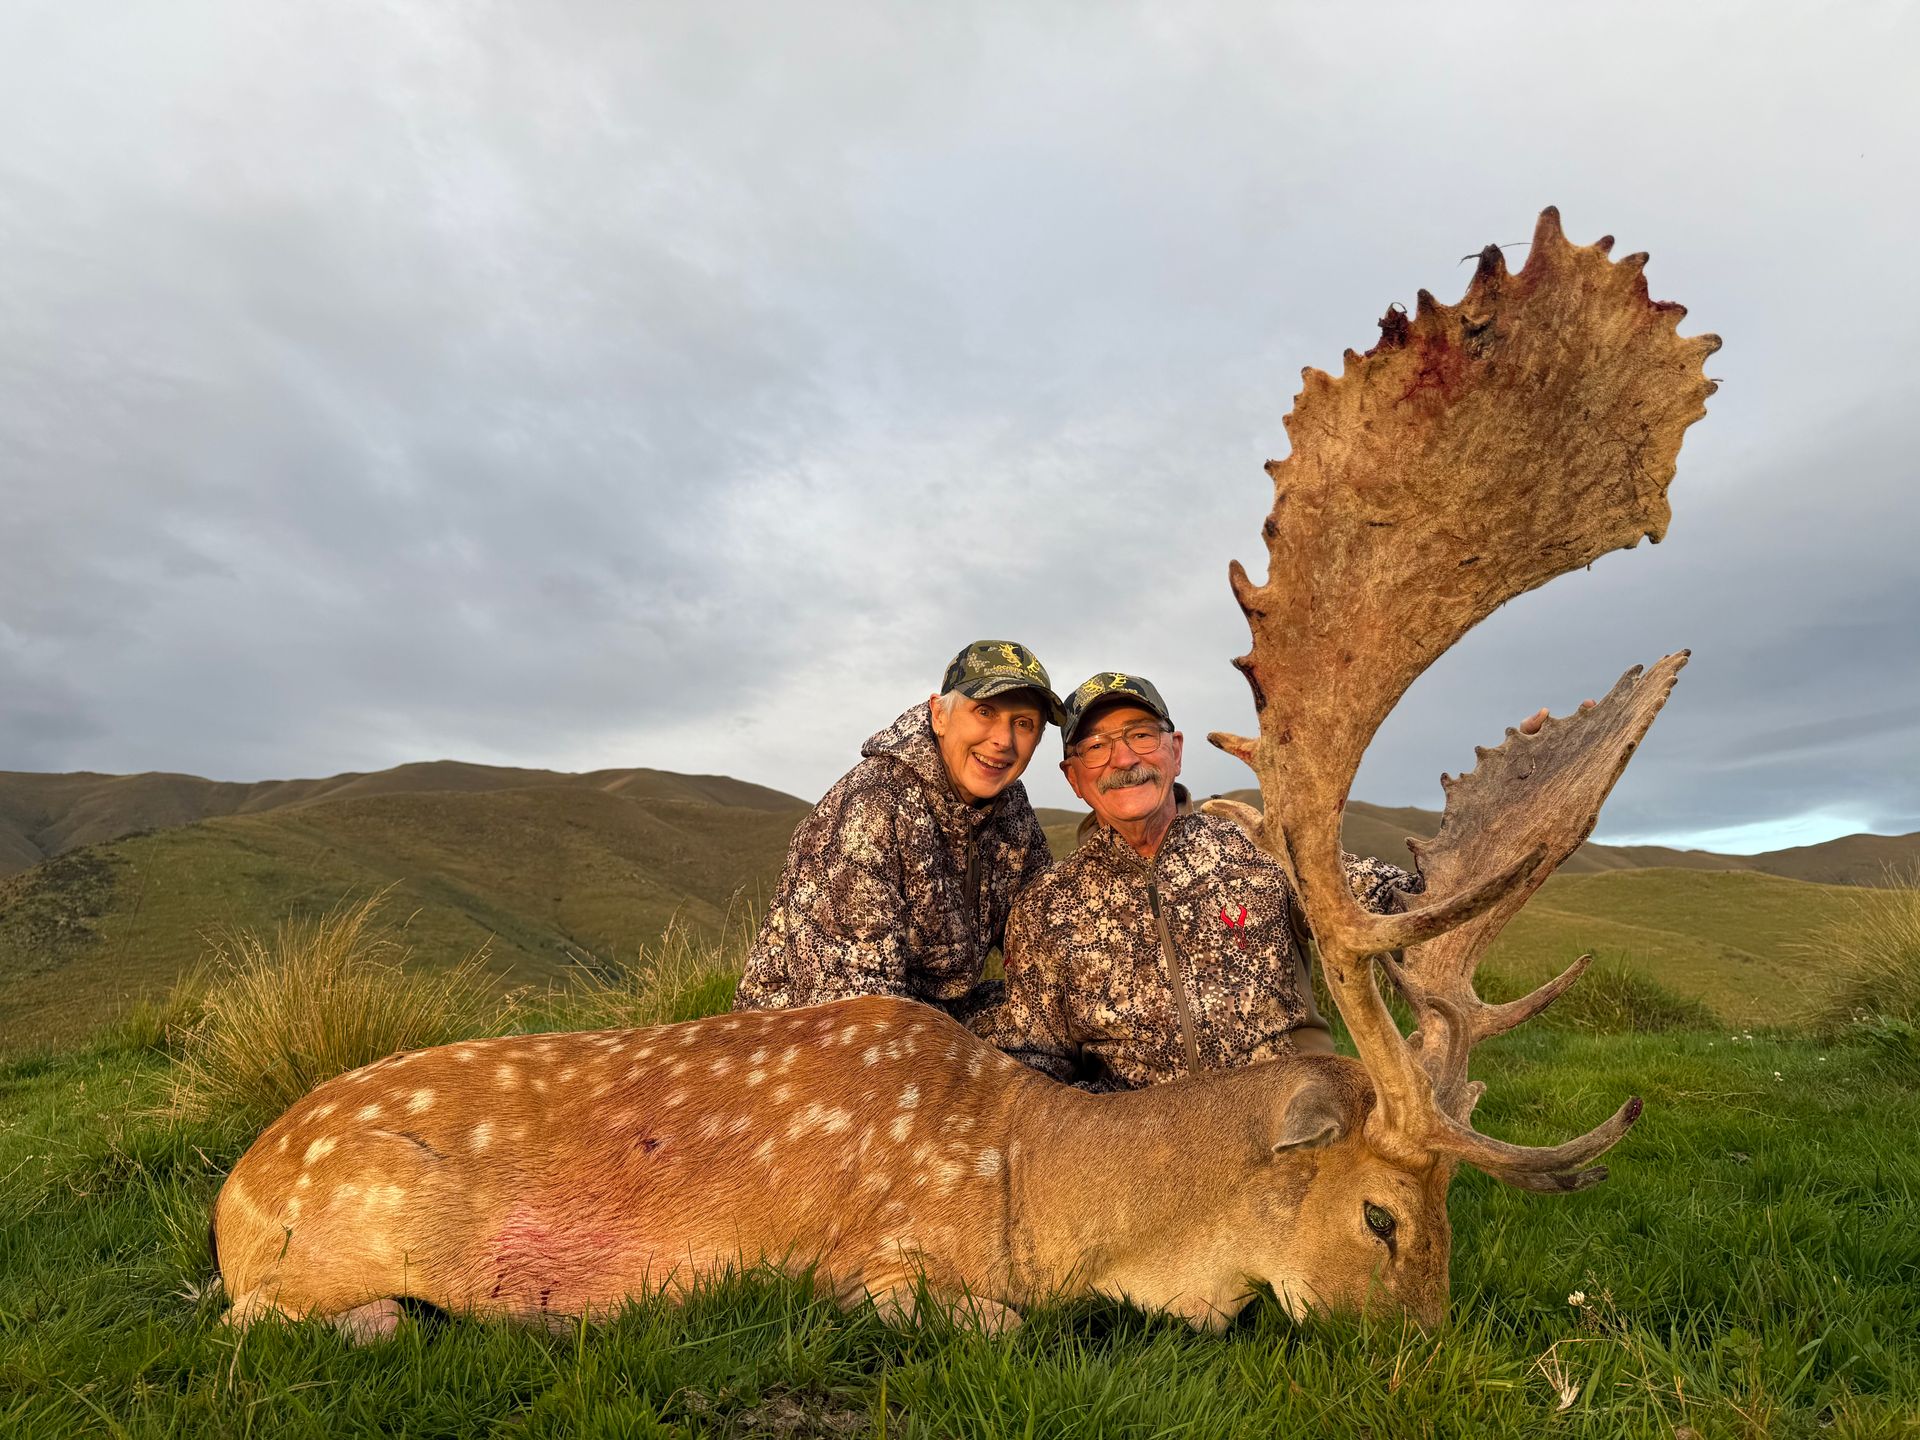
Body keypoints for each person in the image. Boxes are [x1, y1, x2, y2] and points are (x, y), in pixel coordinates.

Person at [977, 671, 1422, 1090]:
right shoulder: (1047, 905)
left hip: (1295, 1131)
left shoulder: (1261, 847)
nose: (1125, 759)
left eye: (1142, 734)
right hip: (1145, 1154)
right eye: (1095, 746)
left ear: (1177, 750)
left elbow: (1391, 901)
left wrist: (1441, 894)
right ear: (1073, 777)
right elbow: (1037, 1059)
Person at [732, 640, 1068, 1025]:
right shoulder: (871, 806)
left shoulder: (1012, 811)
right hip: (807, 1042)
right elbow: (854, 1012)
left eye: (1023, 723)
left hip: (932, 1021)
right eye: (984, 711)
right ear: (939, 716)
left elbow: (1043, 939)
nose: (1003, 740)